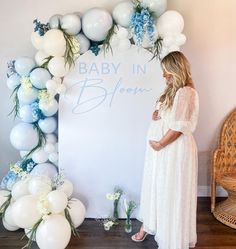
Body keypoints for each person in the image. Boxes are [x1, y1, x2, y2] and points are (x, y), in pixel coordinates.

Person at [131, 51, 199, 249]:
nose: (164, 76)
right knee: (159, 188)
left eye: (166, 71)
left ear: (176, 70)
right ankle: (151, 226)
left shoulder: (186, 91)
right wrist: (158, 114)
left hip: (173, 149)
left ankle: (172, 237)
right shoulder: (174, 90)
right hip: (164, 151)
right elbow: (172, 117)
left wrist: (160, 144)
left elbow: (179, 127)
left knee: (171, 192)